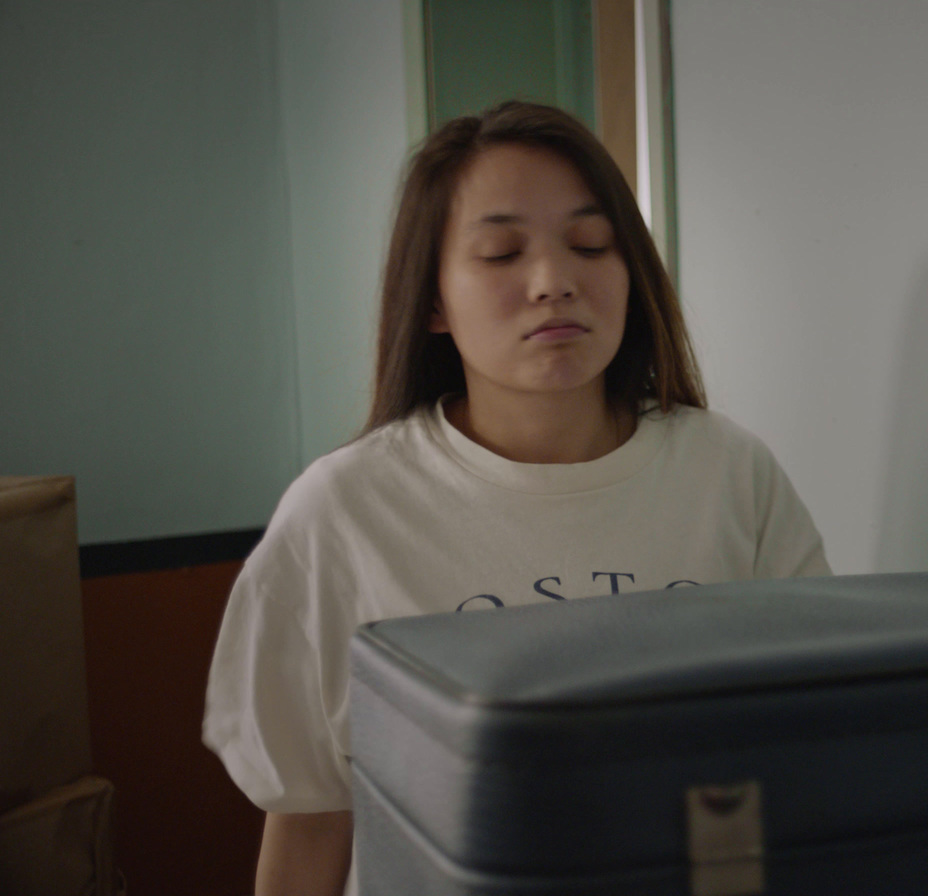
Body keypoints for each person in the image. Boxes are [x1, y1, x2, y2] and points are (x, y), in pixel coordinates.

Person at [202, 101, 830, 896]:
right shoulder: (342, 512)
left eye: (590, 245)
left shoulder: (729, 472)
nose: (555, 282)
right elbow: (313, 818)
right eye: (501, 253)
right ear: (431, 301)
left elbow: (804, 756)